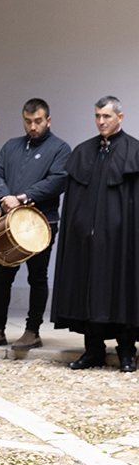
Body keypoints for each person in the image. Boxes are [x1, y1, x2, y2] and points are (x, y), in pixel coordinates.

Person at [52, 96, 139, 373]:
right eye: (98, 116)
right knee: (88, 292)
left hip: (122, 242)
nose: (101, 121)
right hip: (87, 242)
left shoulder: (134, 151)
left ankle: (126, 352)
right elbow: (75, 201)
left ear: (120, 118)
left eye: (107, 116)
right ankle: (93, 351)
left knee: (122, 291)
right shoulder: (83, 152)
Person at [0, 98, 70, 353]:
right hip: (10, 223)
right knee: (1, 275)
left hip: (41, 224)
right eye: (28, 121)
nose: (33, 126)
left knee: (37, 277)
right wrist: (5, 199)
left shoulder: (60, 148)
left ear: (48, 120)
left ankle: (32, 332)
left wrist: (21, 198)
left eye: (38, 121)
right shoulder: (11, 146)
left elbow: (58, 180)